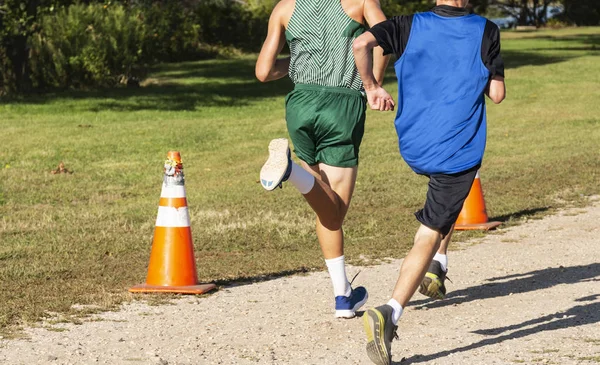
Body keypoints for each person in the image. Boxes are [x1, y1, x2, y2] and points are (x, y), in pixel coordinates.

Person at [352, 0, 506, 363]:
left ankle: (437, 266)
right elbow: (497, 95)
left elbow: (361, 44)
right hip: (456, 148)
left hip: (413, 143)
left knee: (447, 195)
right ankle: (389, 311)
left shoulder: (407, 24)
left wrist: (372, 85)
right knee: (434, 221)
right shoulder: (486, 30)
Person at [255, 0, 392, 318]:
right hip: (341, 105)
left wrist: (302, 63)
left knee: (323, 203)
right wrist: (373, 85)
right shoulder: (360, 2)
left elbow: (263, 71)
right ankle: (290, 172)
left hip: (300, 104)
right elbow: (387, 38)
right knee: (335, 210)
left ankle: (343, 294)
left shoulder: (284, 8)